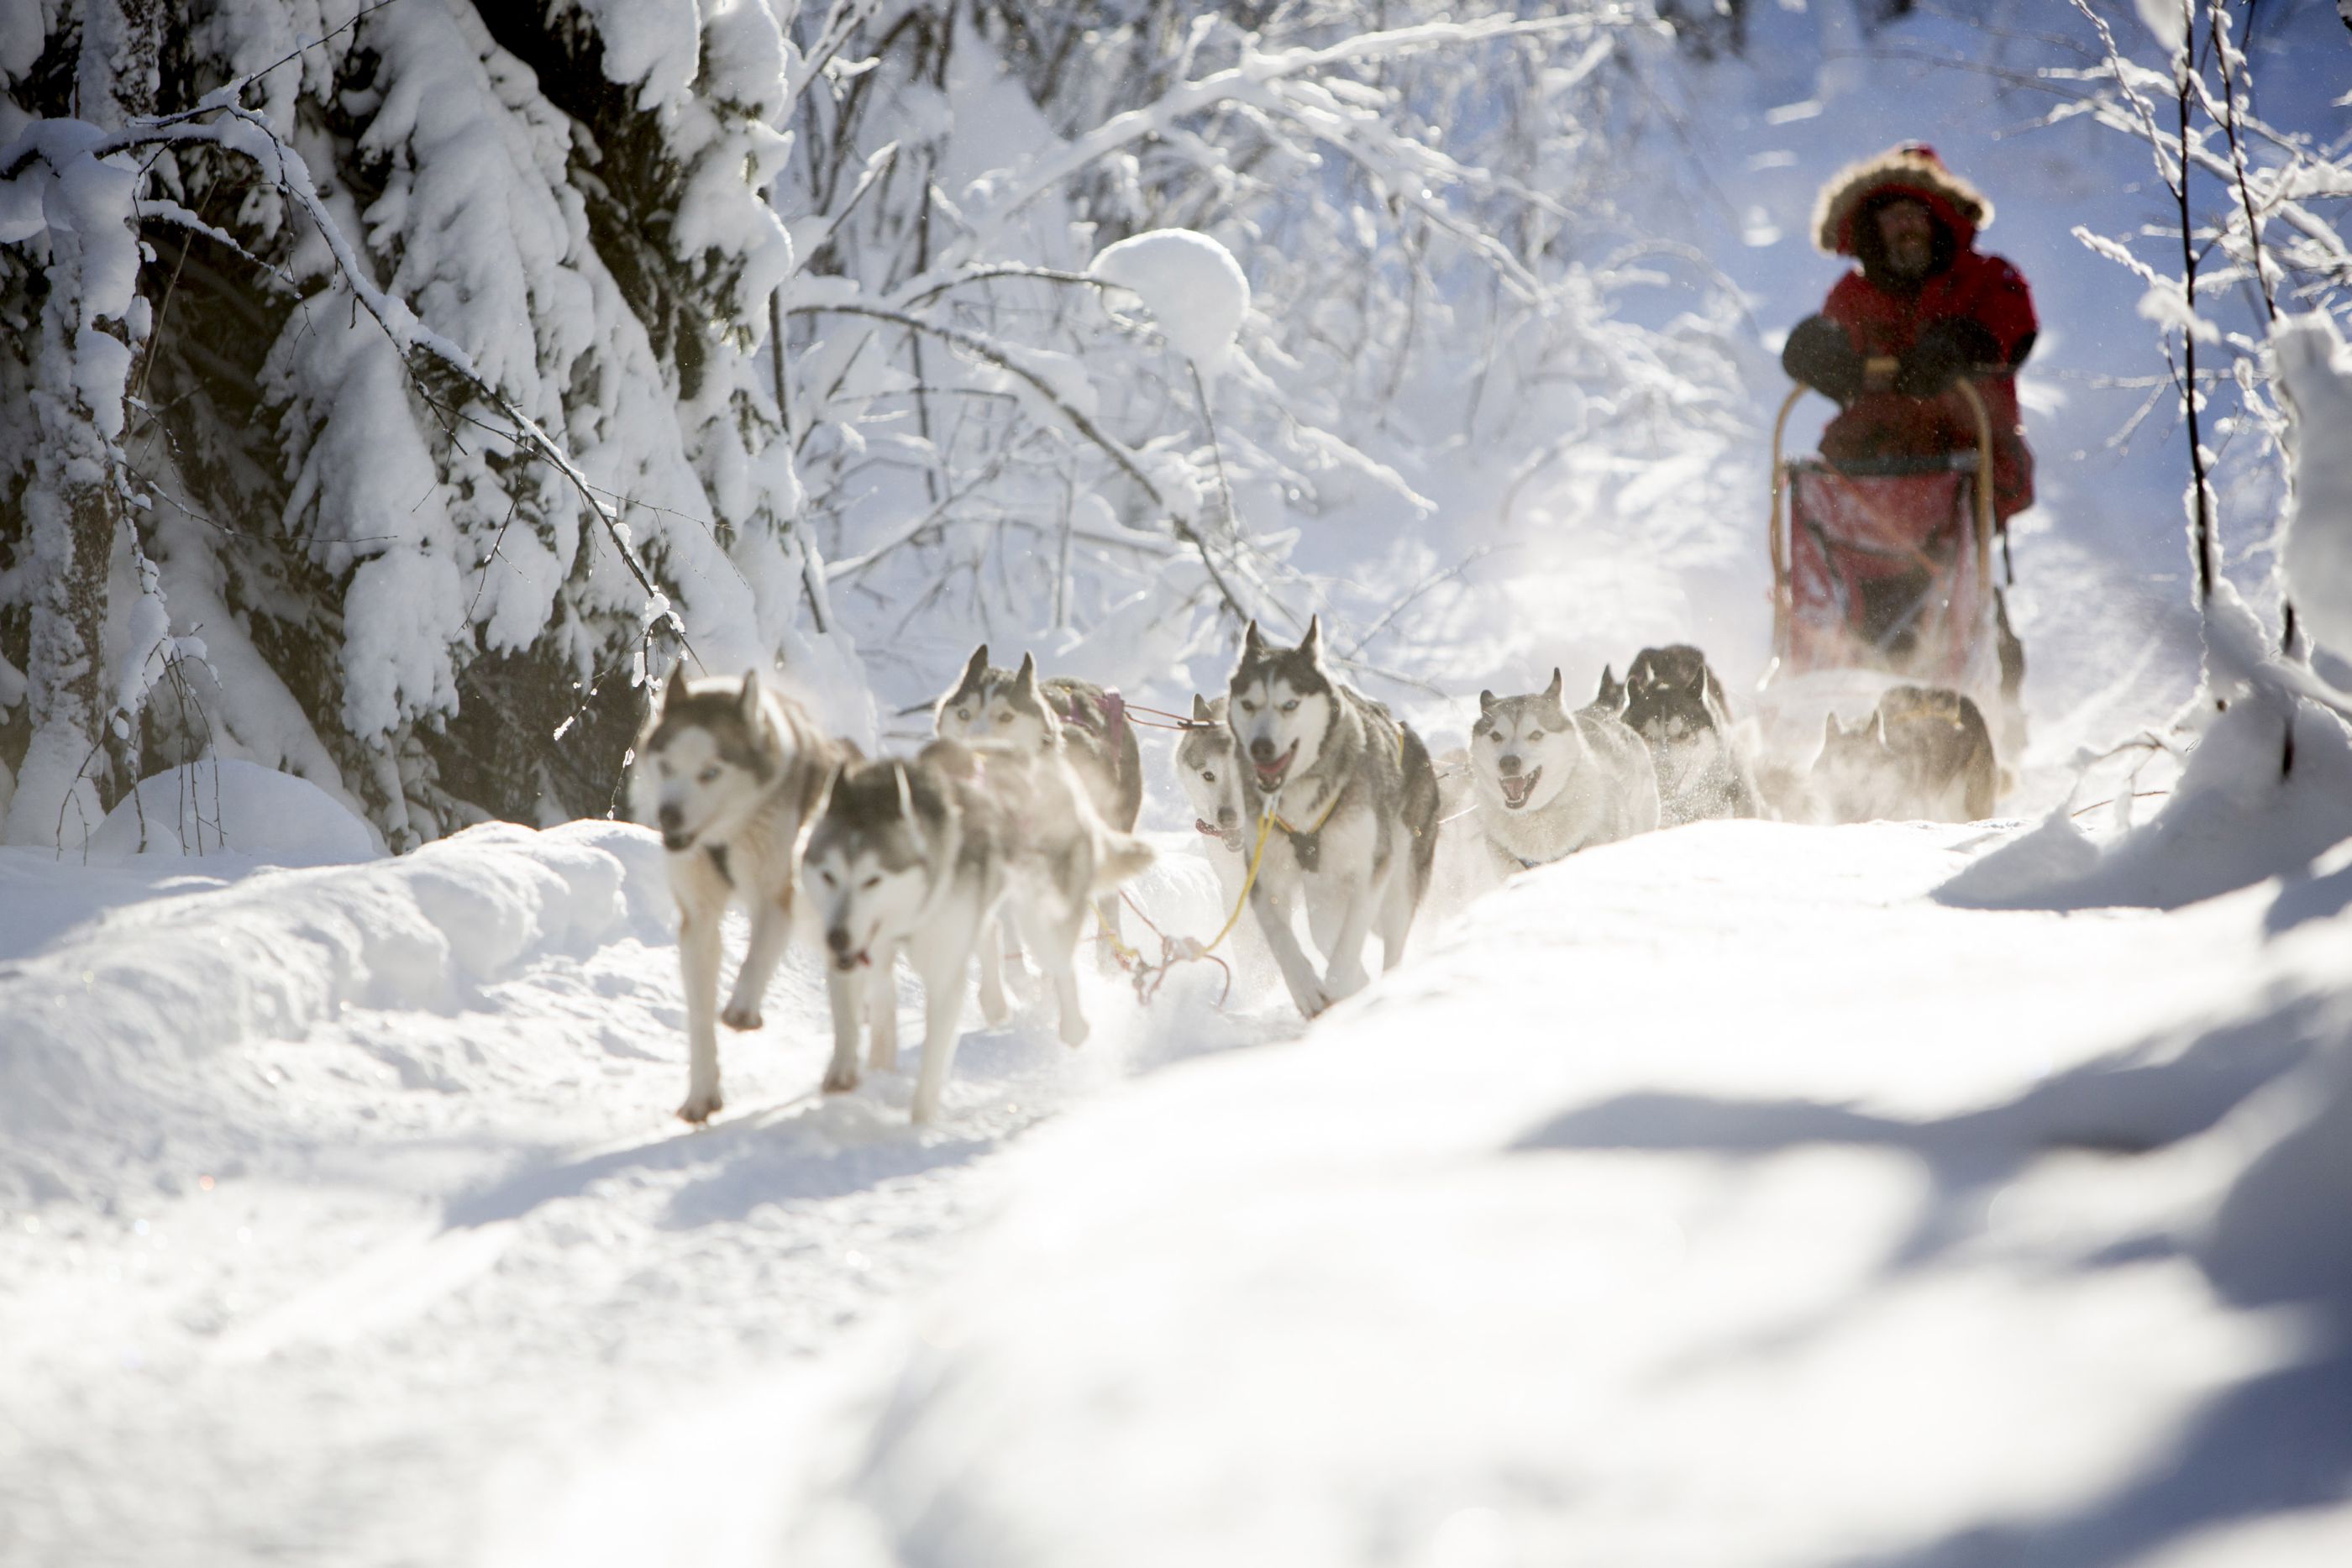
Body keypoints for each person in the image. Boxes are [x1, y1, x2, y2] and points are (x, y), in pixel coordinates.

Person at [1781, 143, 2034, 703]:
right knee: (1867, 600)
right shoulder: (1853, 295)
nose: (1904, 227)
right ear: (1870, 229)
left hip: (1964, 470)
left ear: (1939, 216)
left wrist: (1964, 342)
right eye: (1890, 216)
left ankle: (1986, 708)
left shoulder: (1988, 279)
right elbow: (1833, 339)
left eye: (1915, 213)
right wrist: (1816, 349)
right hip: (1866, 480)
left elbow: (2012, 327)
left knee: (1960, 594)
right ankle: (1834, 698)